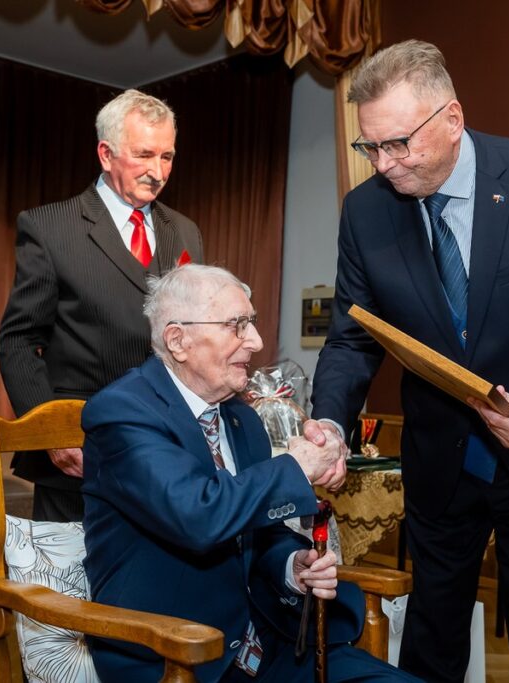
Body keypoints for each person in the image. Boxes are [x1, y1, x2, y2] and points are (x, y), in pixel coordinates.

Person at [306, 40, 509, 682]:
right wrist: (332, 424)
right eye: (369, 147)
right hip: (441, 464)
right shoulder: (365, 212)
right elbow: (352, 336)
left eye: (398, 143)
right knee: (431, 634)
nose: (385, 164)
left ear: (452, 119)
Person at [80, 264, 419, 682]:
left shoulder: (242, 418)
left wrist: (291, 566)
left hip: (272, 642)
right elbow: (199, 516)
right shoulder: (122, 412)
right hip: (178, 654)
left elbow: (263, 533)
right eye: (237, 325)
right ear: (178, 340)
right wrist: (295, 466)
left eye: (252, 324)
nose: (256, 342)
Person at [0, 89, 202, 522]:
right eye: (144, 155)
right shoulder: (50, 227)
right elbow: (17, 340)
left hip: (168, 451)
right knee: (72, 590)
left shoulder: (185, 232)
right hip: (79, 454)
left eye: (167, 157)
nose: (158, 171)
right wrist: (50, 434)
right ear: (106, 154)